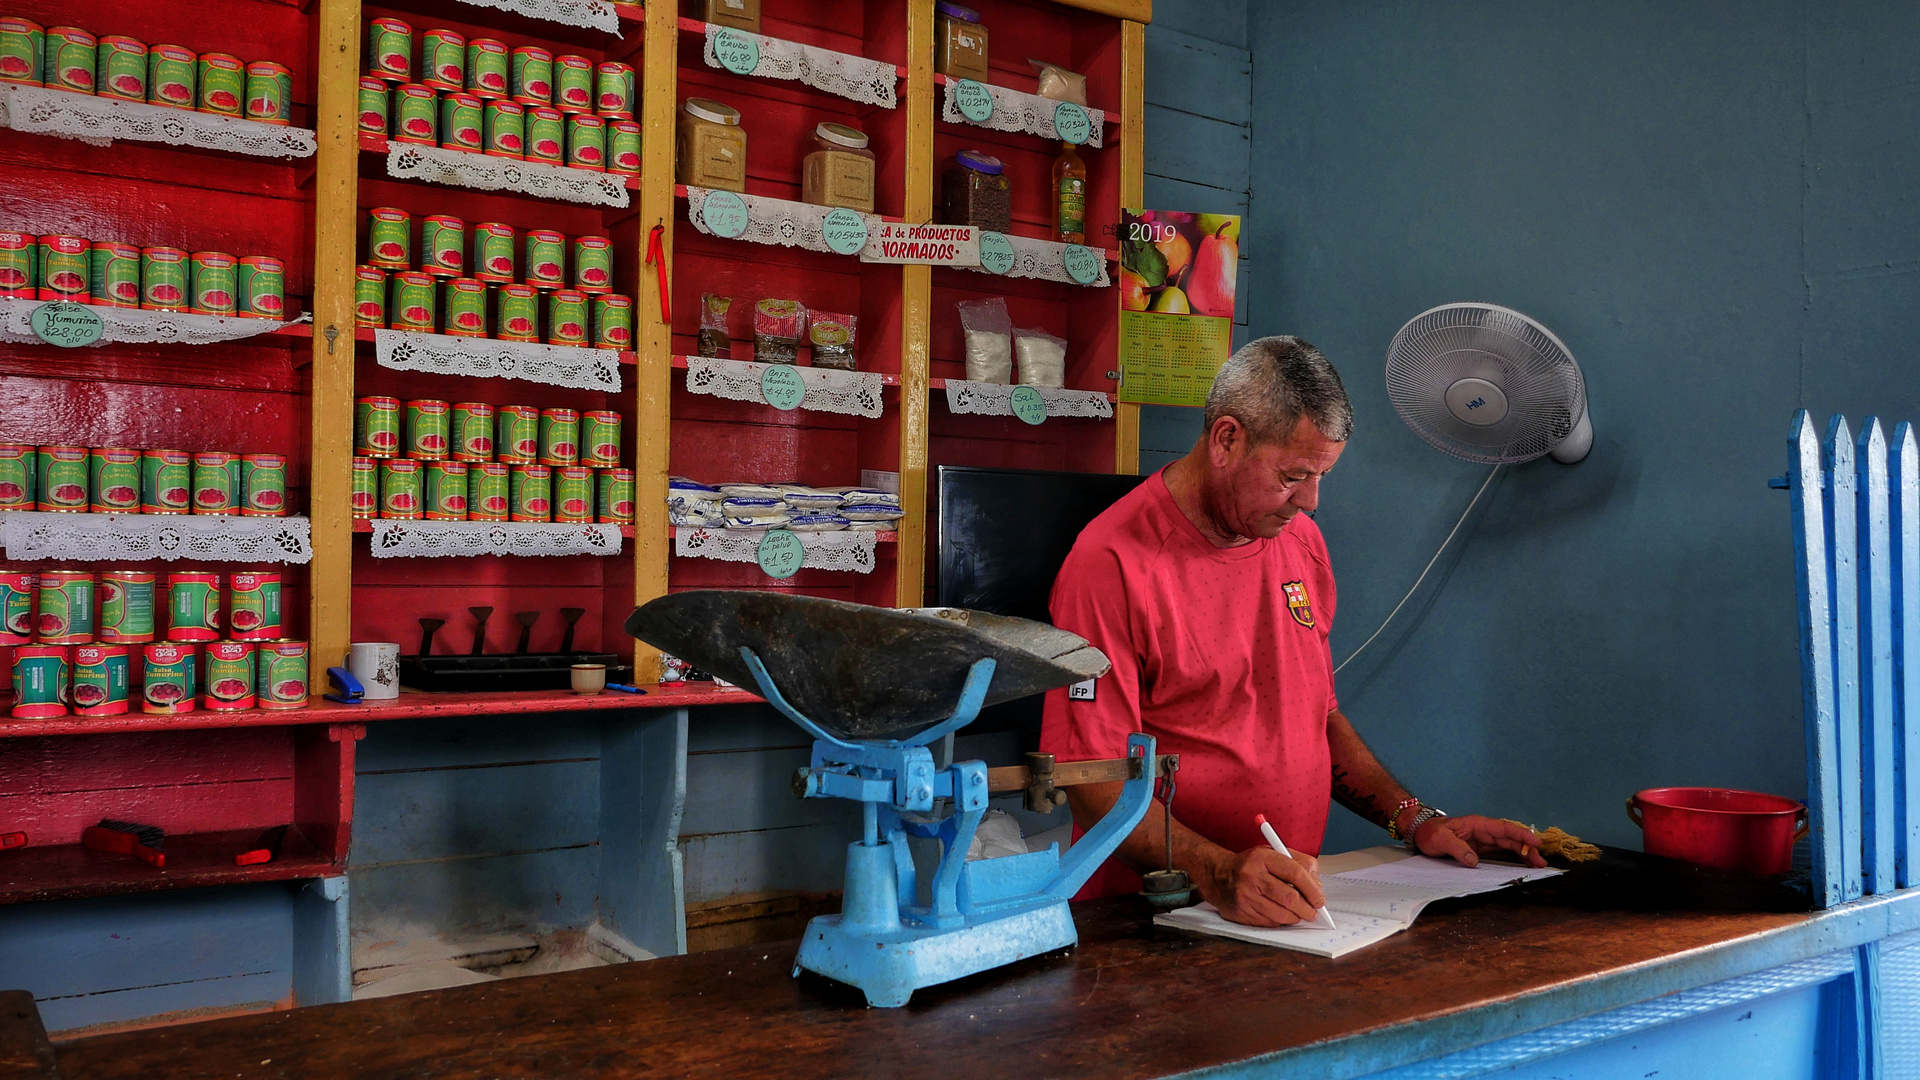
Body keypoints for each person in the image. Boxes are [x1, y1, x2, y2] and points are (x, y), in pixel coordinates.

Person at [1040, 335, 1544, 927]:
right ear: (1228, 439)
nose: (1310, 502)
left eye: (1322, 476)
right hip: (1149, 915)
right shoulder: (1110, 564)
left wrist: (1416, 821)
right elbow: (1092, 782)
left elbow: (1315, 719)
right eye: (1293, 476)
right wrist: (1219, 871)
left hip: (1279, 910)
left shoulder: (1296, 541)